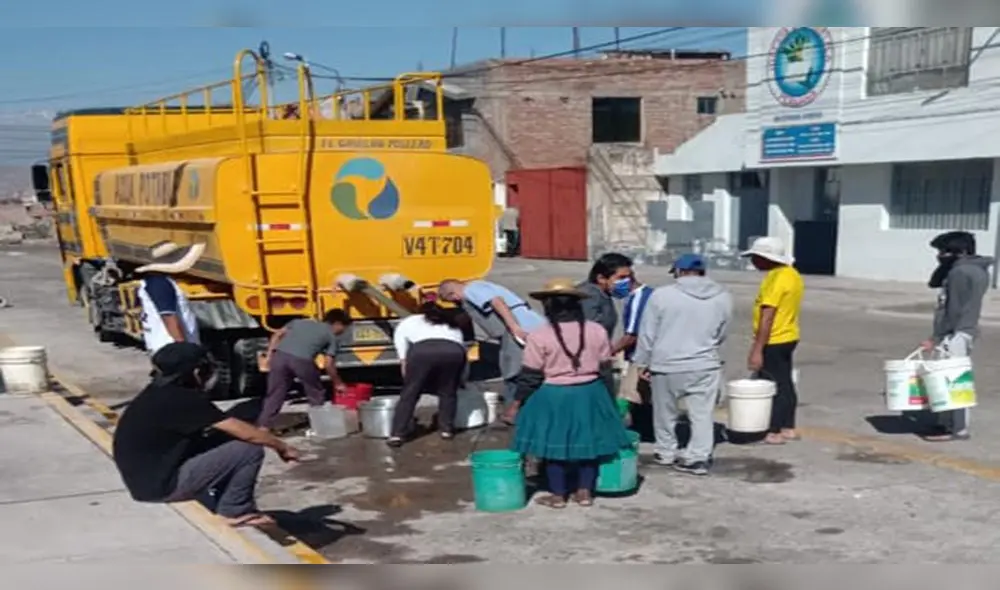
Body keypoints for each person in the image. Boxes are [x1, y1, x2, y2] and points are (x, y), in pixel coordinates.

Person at [112, 342, 300, 527]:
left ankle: (224, 499)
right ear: (196, 372)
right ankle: (236, 510)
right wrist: (281, 446)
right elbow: (245, 433)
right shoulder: (182, 399)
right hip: (161, 487)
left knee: (227, 438)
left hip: (145, 481)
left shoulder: (157, 392)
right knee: (248, 450)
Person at [505, 278, 631, 509]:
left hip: (554, 395)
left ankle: (558, 496)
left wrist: (516, 403)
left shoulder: (539, 336)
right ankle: (584, 493)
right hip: (591, 392)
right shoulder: (597, 331)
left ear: (548, 307)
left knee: (554, 446)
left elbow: (531, 376)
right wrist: (609, 400)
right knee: (589, 444)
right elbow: (605, 370)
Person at [633, 254, 732, 475]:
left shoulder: (662, 295)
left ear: (678, 272)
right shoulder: (723, 297)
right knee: (702, 414)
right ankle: (698, 457)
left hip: (666, 363)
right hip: (705, 364)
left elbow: (648, 333)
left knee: (664, 412)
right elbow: (722, 333)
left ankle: (665, 451)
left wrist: (641, 362)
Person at [919, 230, 992, 442]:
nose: (940, 255)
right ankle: (945, 422)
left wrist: (935, 337)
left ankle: (958, 429)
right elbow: (936, 284)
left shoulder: (960, 273)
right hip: (963, 331)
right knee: (946, 378)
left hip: (956, 333)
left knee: (955, 380)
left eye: (944, 251)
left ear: (960, 252)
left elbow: (954, 310)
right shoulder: (973, 269)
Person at [438, 279, 545, 404]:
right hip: (531, 327)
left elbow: (497, 302)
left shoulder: (471, 289)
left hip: (519, 329)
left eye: (453, 300)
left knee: (513, 372)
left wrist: (514, 327)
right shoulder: (481, 286)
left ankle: (516, 407)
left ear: (453, 295)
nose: (457, 302)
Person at [742, 236, 804, 445]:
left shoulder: (776, 279)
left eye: (755, 257)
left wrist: (757, 349)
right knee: (785, 382)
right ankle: (788, 426)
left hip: (773, 339)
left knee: (772, 385)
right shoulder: (792, 275)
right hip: (789, 336)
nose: (753, 261)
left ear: (766, 258)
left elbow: (767, 315)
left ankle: (774, 430)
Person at [387, 302, 473, 447]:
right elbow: (462, 349)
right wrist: (462, 377)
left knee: (410, 393)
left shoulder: (410, 320)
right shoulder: (451, 323)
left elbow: (400, 341)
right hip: (453, 352)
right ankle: (446, 430)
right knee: (448, 392)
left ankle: (397, 434)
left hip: (423, 352)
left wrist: (404, 363)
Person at [257, 309, 352, 430]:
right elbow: (328, 364)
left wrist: (270, 355)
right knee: (315, 392)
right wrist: (338, 383)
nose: (343, 331)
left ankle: (263, 426)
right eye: (344, 328)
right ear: (337, 323)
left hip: (279, 357)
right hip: (302, 361)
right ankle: (319, 425)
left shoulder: (299, 322)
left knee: (275, 392)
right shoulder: (331, 337)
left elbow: (277, 335)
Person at [136, 241, 204, 355]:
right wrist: (182, 348)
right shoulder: (160, 283)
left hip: (166, 347)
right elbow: (168, 317)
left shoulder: (155, 281)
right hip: (171, 348)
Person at [611, 270, 653, 405]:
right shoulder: (646, 294)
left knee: (629, 396)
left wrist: (609, 351)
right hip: (646, 355)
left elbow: (632, 335)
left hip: (640, 356)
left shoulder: (639, 298)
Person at [577, 252, 635, 340]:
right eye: (622, 277)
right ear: (601, 278)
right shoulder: (589, 296)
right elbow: (589, 334)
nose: (627, 282)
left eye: (629, 277)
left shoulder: (604, 294)